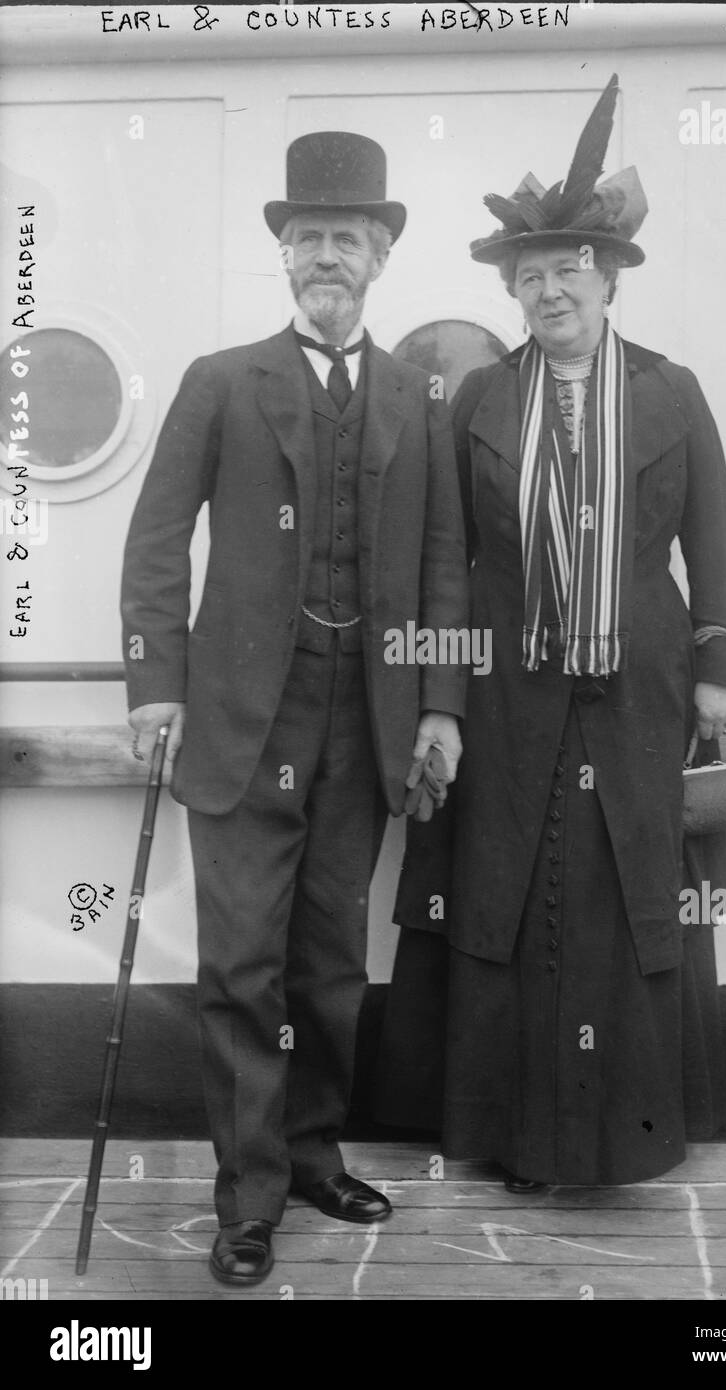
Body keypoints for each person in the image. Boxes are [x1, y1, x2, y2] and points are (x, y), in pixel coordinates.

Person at [376, 76, 726, 1190]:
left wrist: (718, 674)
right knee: (509, 893)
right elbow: (448, 562)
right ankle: (516, 1137)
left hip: (640, 694)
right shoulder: (479, 399)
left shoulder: (673, 394)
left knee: (624, 895)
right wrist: (441, 701)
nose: (547, 290)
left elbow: (714, 544)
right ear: (512, 289)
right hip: (508, 694)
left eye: (566, 272)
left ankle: (627, 1135)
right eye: (527, 276)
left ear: (607, 277)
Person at [120, 131, 468, 1284]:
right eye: (309, 236)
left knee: (329, 965)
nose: (329, 255)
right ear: (284, 254)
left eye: (349, 239)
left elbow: (442, 565)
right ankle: (248, 1195)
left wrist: (439, 706)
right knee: (241, 971)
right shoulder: (222, 380)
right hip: (237, 724)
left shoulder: (419, 396)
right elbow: (157, 541)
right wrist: (155, 686)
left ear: (378, 258)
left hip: (363, 725)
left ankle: (315, 1152)